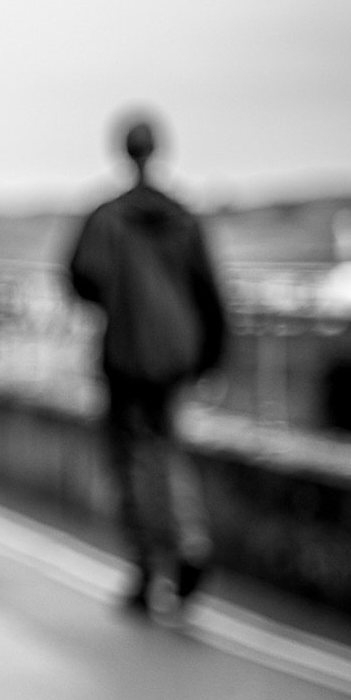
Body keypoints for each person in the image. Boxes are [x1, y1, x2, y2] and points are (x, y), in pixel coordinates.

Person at [67, 114, 226, 613]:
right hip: (177, 355)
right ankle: (189, 543)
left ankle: (147, 566)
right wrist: (211, 354)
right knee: (168, 448)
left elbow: (80, 277)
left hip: (128, 353)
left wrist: (114, 300)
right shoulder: (183, 217)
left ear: (123, 151)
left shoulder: (108, 217)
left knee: (130, 457)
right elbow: (211, 292)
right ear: (157, 150)